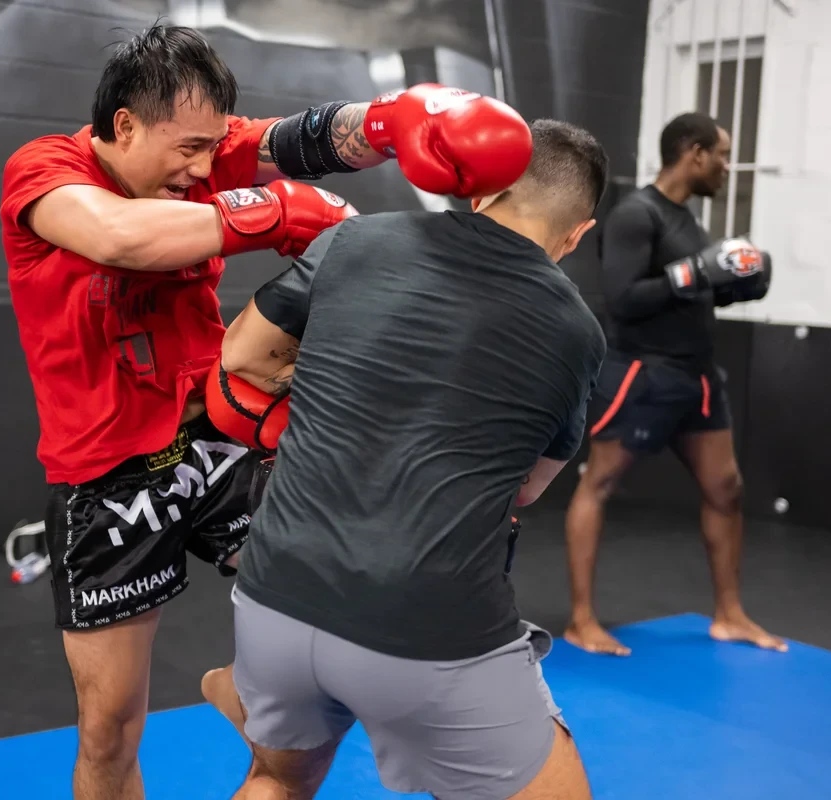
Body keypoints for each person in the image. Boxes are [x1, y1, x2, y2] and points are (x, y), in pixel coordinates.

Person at [0, 21, 532, 800]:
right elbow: (117, 237)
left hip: (222, 442)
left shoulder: (205, 154)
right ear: (124, 126)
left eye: (215, 146)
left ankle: (257, 722)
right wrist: (277, 212)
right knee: (110, 727)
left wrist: (396, 123)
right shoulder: (46, 169)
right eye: (187, 149)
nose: (205, 166)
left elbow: (312, 139)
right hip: (107, 476)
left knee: (348, 609)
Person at [205, 120, 608, 800]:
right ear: (579, 234)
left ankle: (243, 687)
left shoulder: (354, 239)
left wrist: (353, 392)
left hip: (274, 594)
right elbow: (526, 490)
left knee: (274, 780)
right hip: (425, 631)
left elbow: (242, 356)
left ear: (478, 190)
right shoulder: (577, 333)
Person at [561, 111, 781, 657]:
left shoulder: (687, 219)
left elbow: (691, 287)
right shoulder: (637, 214)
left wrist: (731, 287)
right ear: (694, 152)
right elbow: (624, 298)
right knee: (600, 484)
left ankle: (729, 614)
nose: (727, 166)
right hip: (643, 372)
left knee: (726, 489)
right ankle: (581, 620)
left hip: (697, 375)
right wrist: (697, 274)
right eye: (723, 155)